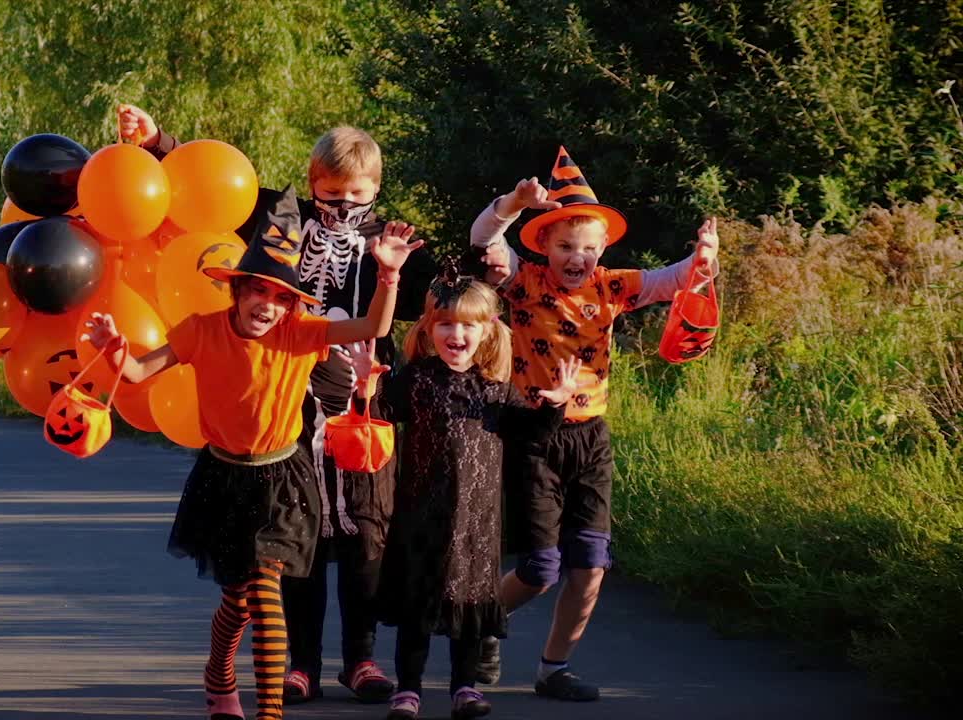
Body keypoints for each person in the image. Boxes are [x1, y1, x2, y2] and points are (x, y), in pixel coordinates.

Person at [120, 104, 437, 703]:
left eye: (357, 197)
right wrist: (157, 139)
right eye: (331, 193)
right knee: (298, 542)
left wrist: (490, 255)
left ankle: (361, 657)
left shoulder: (387, 240)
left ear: (376, 192)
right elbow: (207, 186)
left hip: (359, 402)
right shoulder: (279, 217)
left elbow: (434, 298)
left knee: (366, 531)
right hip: (283, 403)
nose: (343, 206)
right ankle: (303, 662)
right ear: (313, 182)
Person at [468, 146, 719, 700]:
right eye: (564, 246)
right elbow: (484, 240)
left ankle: (553, 668)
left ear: (602, 247)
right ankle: (480, 620)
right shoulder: (524, 283)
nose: (576, 257)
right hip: (535, 433)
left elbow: (672, 282)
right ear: (546, 247)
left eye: (586, 247)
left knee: (591, 563)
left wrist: (703, 258)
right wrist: (512, 203)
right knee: (540, 568)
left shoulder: (612, 286)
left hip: (591, 437)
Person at [349, 265, 580, 720]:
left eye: (467, 326)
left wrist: (556, 403)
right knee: (417, 606)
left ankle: (465, 687)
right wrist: (365, 386)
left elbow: (533, 435)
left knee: (471, 604)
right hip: (419, 515)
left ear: (487, 333)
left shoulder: (496, 391)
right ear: (430, 329)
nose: (456, 333)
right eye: (446, 324)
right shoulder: (415, 380)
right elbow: (376, 415)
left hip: (477, 521)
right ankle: (408, 689)